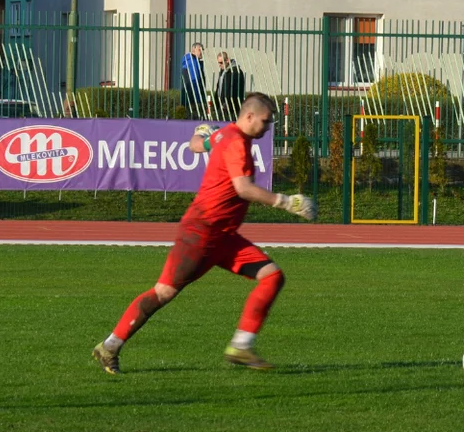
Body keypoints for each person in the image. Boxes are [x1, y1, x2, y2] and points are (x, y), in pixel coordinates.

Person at [92, 93, 316, 375]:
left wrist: (200, 133)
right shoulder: (235, 142)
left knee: (272, 276)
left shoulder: (225, 134)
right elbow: (242, 188)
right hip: (201, 233)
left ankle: (241, 346)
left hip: (223, 236)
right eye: (265, 121)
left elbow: (196, 145)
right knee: (163, 293)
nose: (267, 127)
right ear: (248, 117)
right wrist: (285, 202)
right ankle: (110, 345)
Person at [214, 51, 246, 120]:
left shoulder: (236, 72)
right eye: (218, 62)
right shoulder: (223, 71)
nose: (219, 65)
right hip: (222, 105)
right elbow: (219, 87)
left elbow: (235, 89)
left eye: (221, 62)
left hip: (231, 108)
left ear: (227, 60)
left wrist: (228, 103)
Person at [180, 42, 206, 118]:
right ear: (193, 50)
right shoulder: (192, 62)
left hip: (192, 100)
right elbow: (193, 82)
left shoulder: (194, 62)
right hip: (193, 101)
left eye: (202, 50)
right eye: (199, 50)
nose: (201, 52)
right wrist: (193, 101)